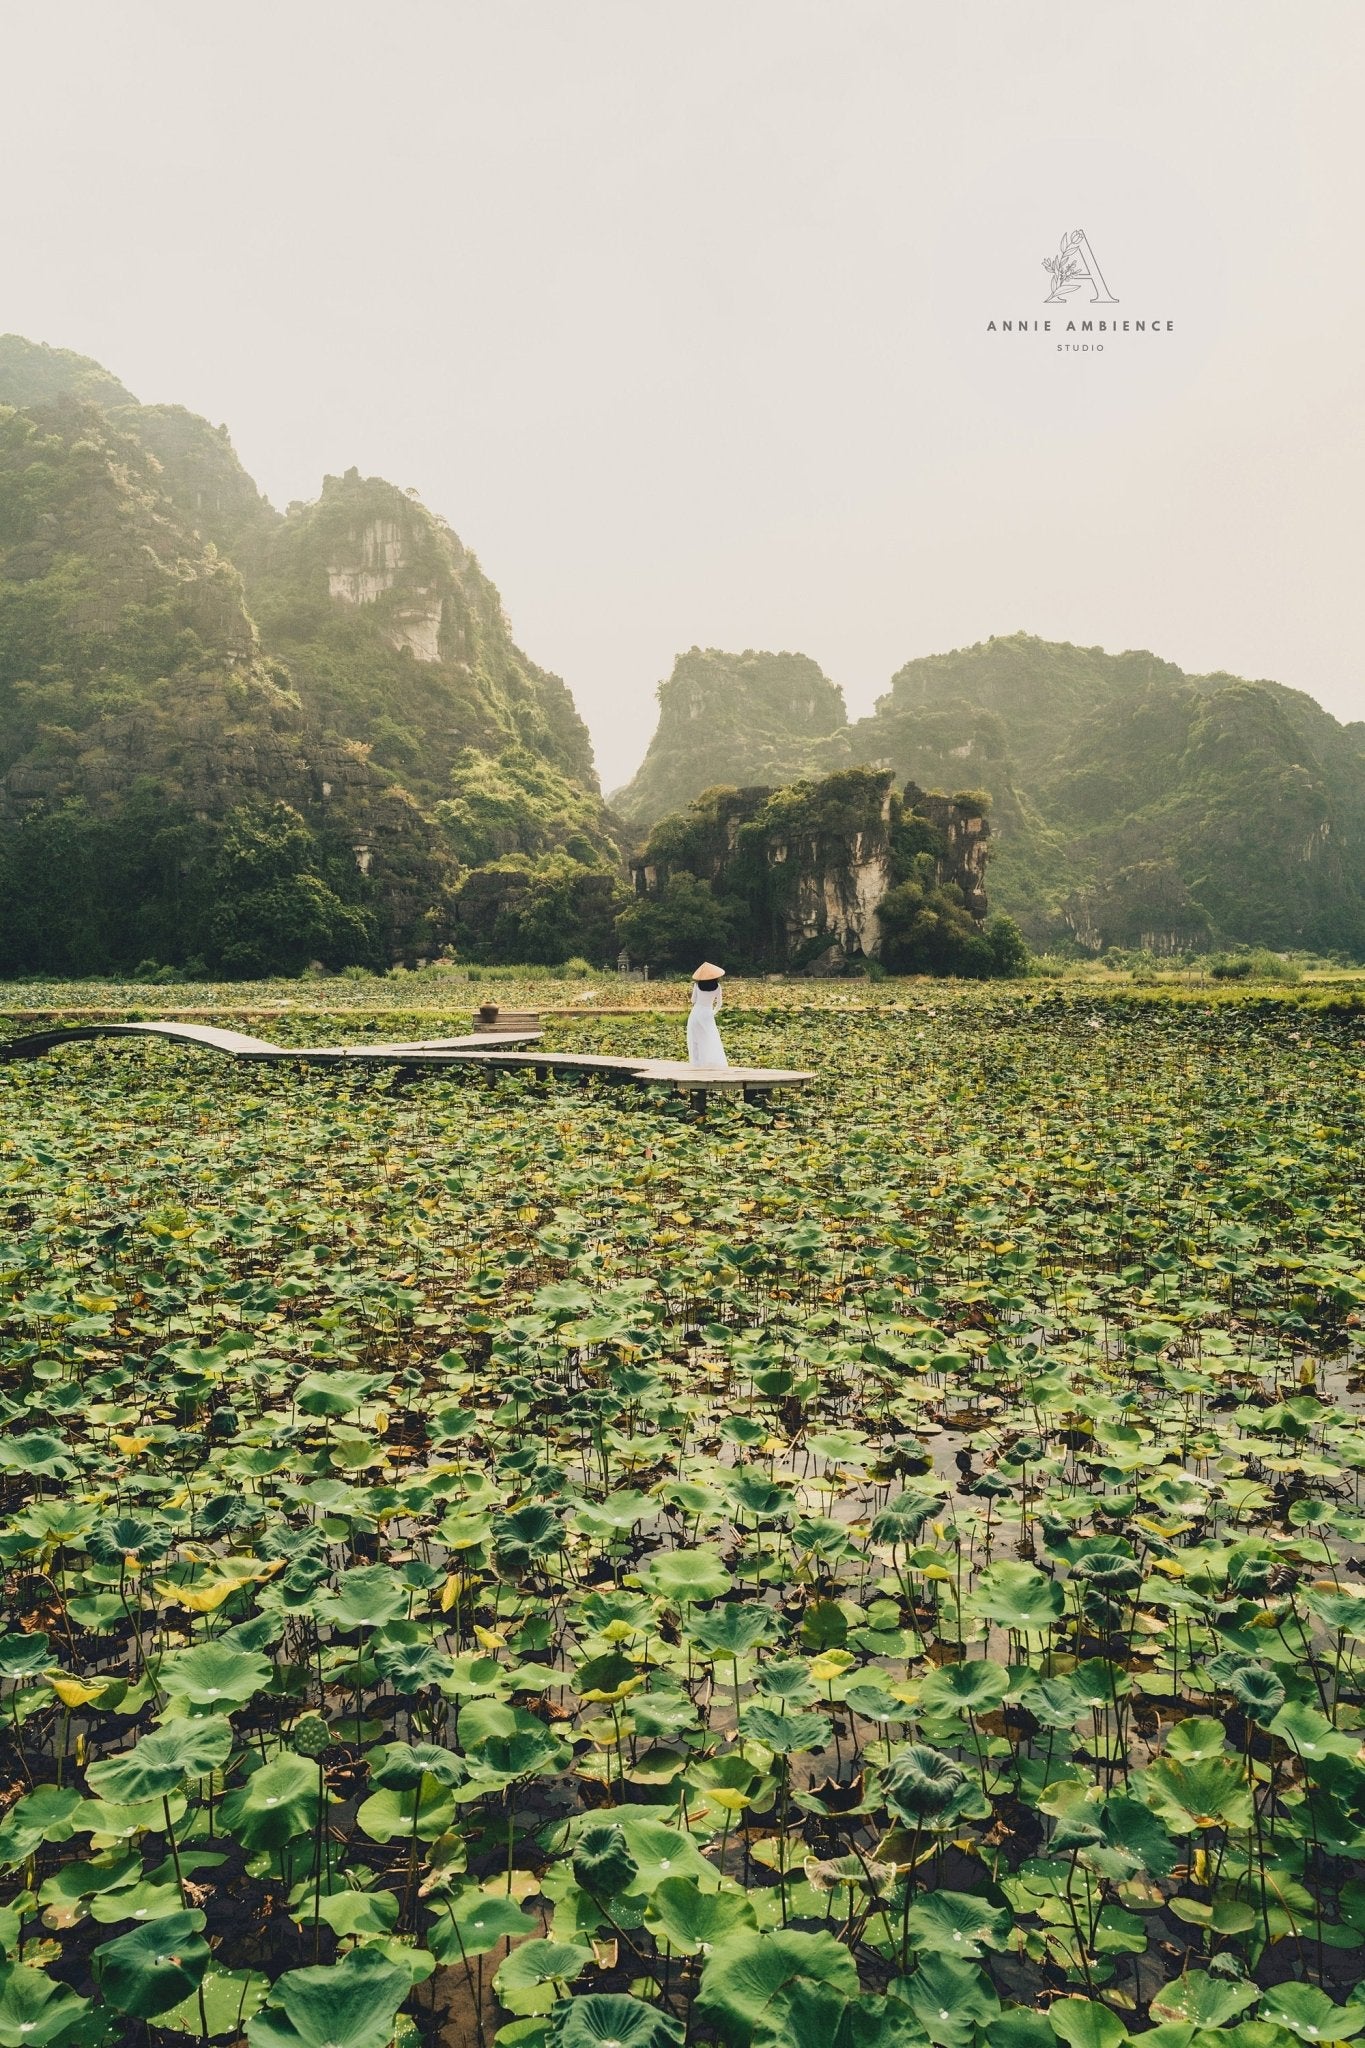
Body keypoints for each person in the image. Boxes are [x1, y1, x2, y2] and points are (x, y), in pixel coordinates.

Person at [687, 962, 727, 1067]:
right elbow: (719, 1004)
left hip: (696, 1012)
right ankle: (710, 1061)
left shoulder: (697, 985)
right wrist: (712, 1013)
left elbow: (693, 1000)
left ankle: (696, 1063)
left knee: (694, 1038)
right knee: (710, 1037)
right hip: (708, 1013)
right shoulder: (718, 987)